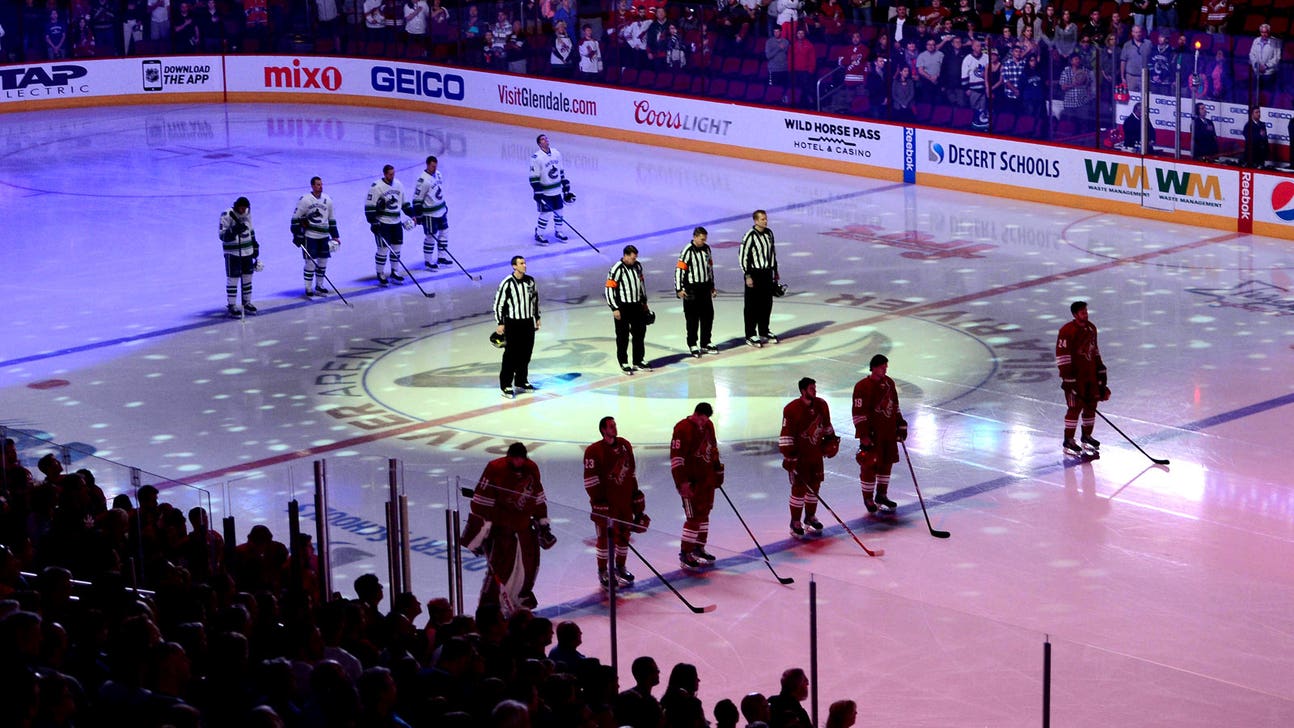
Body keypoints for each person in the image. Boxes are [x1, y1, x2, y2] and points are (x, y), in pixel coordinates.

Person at [460, 442, 552, 613]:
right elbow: (480, 503)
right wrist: (481, 533)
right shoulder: (495, 468)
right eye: (515, 459)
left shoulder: (531, 468)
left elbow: (538, 498)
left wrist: (543, 524)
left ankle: (519, 604)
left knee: (528, 569)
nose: (518, 463)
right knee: (500, 572)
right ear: (509, 457)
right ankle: (490, 611)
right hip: (502, 532)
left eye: (521, 459)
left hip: (524, 530)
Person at [584, 416, 649, 588]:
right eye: (611, 426)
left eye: (615, 425)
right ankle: (603, 571)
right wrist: (598, 503)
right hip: (607, 505)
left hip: (625, 502)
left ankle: (620, 567)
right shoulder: (594, 451)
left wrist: (636, 498)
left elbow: (631, 473)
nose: (614, 428)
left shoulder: (625, 445)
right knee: (604, 539)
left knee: (624, 537)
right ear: (603, 430)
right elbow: (590, 480)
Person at [780, 377, 838, 538]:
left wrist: (832, 440)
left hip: (816, 455)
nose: (815, 390)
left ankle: (810, 517)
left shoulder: (821, 405)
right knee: (799, 489)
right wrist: (789, 455)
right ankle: (795, 522)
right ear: (803, 391)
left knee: (815, 485)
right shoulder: (791, 409)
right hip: (800, 457)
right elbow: (786, 434)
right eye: (811, 388)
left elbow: (826, 426)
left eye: (815, 388)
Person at [852, 354, 906, 514]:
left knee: (886, 462)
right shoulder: (862, 386)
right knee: (870, 465)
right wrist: (863, 435)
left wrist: (900, 424)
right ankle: (868, 498)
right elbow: (858, 412)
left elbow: (895, 406)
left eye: (886, 367)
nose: (885, 369)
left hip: (888, 432)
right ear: (874, 367)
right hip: (873, 434)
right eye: (882, 367)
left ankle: (882, 495)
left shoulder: (889, 383)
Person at [670, 402, 722, 569]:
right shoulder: (682, 429)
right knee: (693, 518)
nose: (704, 423)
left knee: (705, 514)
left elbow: (713, 449)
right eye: (702, 420)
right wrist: (682, 483)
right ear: (696, 414)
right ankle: (686, 552)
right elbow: (677, 458)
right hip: (691, 484)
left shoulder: (708, 425)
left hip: (707, 481)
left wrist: (718, 470)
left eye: (706, 420)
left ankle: (699, 548)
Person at [1055, 300, 1108, 457]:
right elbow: (1062, 356)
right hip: (1075, 379)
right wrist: (1068, 378)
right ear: (1075, 314)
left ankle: (1086, 436)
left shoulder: (1091, 328)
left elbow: (1095, 350)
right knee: (1074, 408)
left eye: (1086, 311)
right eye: (1082, 312)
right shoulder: (1067, 331)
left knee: (1091, 406)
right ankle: (1069, 440)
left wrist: (1101, 370)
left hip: (1090, 376)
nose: (1086, 314)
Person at [493, 255, 540, 398]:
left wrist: (537, 317)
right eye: (521, 263)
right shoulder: (507, 283)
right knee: (511, 355)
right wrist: (500, 323)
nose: (524, 265)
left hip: (527, 322)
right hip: (513, 323)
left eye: (525, 263)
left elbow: (535, 300)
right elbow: (498, 304)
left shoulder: (530, 281)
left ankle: (521, 380)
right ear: (514, 266)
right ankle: (505, 384)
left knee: (526, 353)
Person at [290, 176, 341, 299]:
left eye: (321, 184)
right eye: (318, 184)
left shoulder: (328, 200)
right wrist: (297, 234)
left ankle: (319, 285)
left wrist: (335, 236)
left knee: (323, 261)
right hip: (310, 236)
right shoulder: (305, 200)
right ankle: (308, 288)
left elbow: (332, 219)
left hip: (324, 236)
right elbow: (295, 219)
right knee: (310, 263)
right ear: (312, 186)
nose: (320, 186)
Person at [606, 245, 651, 374]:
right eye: (632, 258)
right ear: (625, 256)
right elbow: (609, 289)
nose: (634, 260)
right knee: (622, 336)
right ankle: (623, 362)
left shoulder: (637, 266)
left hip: (637, 306)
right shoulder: (617, 269)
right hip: (623, 307)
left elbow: (641, 285)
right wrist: (614, 308)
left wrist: (644, 303)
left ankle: (638, 360)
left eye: (635, 258)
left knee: (639, 333)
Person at [675, 226, 718, 358]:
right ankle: (692, 344)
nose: (703, 241)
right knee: (692, 319)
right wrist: (679, 289)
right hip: (691, 290)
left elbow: (709, 268)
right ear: (695, 237)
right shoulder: (687, 251)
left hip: (704, 288)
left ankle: (705, 343)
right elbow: (679, 270)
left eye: (705, 239)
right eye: (701, 239)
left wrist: (712, 286)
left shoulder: (706, 249)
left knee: (708, 316)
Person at [739, 209, 780, 348]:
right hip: (754, 274)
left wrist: (775, 271)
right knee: (752, 306)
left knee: (766, 304)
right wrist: (747, 275)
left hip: (767, 273)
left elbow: (772, 253)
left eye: (766, 218)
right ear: (756, 221)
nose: (765, 221)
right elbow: (742, 256)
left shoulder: (769, 233)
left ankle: (764, 330)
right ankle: (750, 334)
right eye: (762, 219)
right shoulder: (749, 236)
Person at [364, 164, 410, 286]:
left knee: (397, 248)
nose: (392, 176)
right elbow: (369, 207)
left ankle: (395, 271)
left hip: (396, 223)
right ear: (384, 174)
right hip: (383, 223)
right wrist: (373, 222)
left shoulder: (399, 184)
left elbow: (404, 203)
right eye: (390, 174)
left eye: (393, 173)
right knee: (383, 249)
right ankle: (380, 273)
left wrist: (413, 214)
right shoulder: (376, 187)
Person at [529, 133, 574, 245]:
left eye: (546, 138)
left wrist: (564, 184)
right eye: (543, 139)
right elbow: (533, 176)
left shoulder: (556, 153)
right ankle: (539, 233)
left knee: (559, 211)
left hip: (557, 189)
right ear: (539, 144)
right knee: (546, 213)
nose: (546, 140)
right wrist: (537, 191)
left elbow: (560, 170)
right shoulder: (536, 158)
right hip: (545, 191)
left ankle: (559, 232)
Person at [218, 196, 259, 317]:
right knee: (233, 278)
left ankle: (247, 302)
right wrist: (234, 230)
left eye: (245, 208)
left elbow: (251, 229)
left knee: (248, 277)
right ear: (236, 206)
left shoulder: (247, 213)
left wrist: (255, 244)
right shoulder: (227, 214)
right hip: (233, 253)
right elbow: (222, 236)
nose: (243, 210)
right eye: (241, 208)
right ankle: (232, 305)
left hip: (247, 251)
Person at [412, 154, 451, 270]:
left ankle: (441, 257)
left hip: (441, 210)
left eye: (436, 166)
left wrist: (444, 205)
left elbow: (440, 191)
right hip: (430, 214)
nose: (434, 168)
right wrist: (418, 215)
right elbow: (417, 199)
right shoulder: (422, 180)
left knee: (444, 232)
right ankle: (428, 261)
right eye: (432, 166)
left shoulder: (438, 174)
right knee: (430, 236)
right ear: (428, 165)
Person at [614, 656, 663, 728]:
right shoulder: (650, 703)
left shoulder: (623, 697)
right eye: (655, 670)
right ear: (645, 674)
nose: (658, 672)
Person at [659, 663, 706, 727]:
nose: (698, 680)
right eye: (695, 677)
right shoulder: (693, 703)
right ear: (689, 680)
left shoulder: (665, 701)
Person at [1119, 24, 1150, 92]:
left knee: (1144, 98)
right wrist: (1122, 77)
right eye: (1136, 32)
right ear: (1132, 33)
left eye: (1139, 32)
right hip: (1131, 77)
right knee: (1131, 98)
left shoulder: (1148, 44)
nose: (1138, 34)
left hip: (1144, 77)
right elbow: (1123, 61)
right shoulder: (1127, 45)